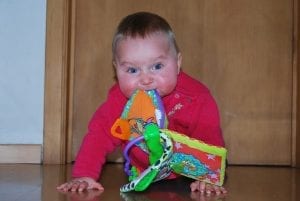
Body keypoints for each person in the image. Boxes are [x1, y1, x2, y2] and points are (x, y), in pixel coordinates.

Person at [57, 11, 227, 195]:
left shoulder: (195, 99)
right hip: (141, 170)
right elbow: (98, 136)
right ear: (116, 69)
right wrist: (84, 175)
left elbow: (210, 141)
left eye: (157, 66)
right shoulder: (119, 100)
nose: (145, 79)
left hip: (185, 171)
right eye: (132, 70)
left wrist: (208, 179)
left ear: (178, 63)